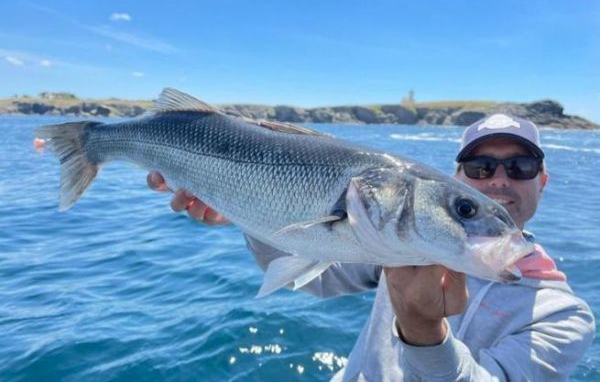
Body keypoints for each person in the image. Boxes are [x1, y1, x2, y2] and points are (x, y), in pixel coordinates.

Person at [147, 113, 595, 381]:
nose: (499, 179)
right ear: (457, 178)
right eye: (479, 168)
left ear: (543, 180)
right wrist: (251, 212)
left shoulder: (562, 314)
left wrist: (423, 331)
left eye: (520, 166)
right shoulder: (397, 243)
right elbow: (313, 280)